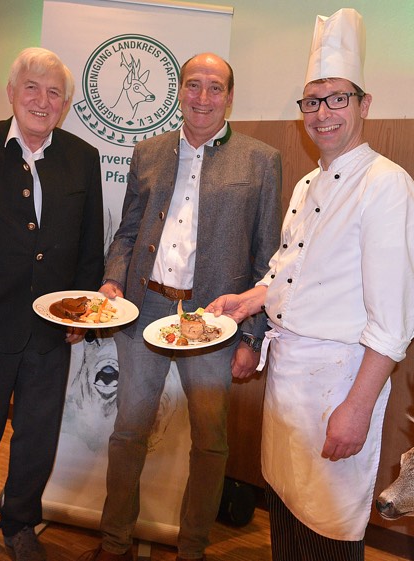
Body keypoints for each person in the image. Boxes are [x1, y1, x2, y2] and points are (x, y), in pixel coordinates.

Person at [207, 9, 414, 561]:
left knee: (327, 526)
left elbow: (395, 323)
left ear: (364, 104)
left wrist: (357, 407)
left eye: (337, 98)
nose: (323, 113)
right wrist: (248, 300)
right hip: (289, 382)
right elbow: (288, 270)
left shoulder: (387, 186)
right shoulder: (308, 183)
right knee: (286, 510)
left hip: (339, 384)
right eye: (312, 101)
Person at [90, 52, 282, 561]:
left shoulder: (261, 160)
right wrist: (112, 280)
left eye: (215, 87)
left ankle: (192, 549)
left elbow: (267, 257)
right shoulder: (147, 151)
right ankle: (115, 543)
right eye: (193, 85)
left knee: (210, 441)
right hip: (145, 308)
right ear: (179, 91)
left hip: (216, 320)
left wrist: (251, 336)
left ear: (230, 97)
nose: (203, 97)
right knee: (128, 432)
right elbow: (127, 233)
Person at [0, 47, 104, 561]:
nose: (42, 100)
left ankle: (20, 523)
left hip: (50, 329)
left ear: (66, 104)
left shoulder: (83, 157)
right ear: (11, 92)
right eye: (31, 88)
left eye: (54, 92)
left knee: (37, 436)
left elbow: (89, 244)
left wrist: (84, 311)